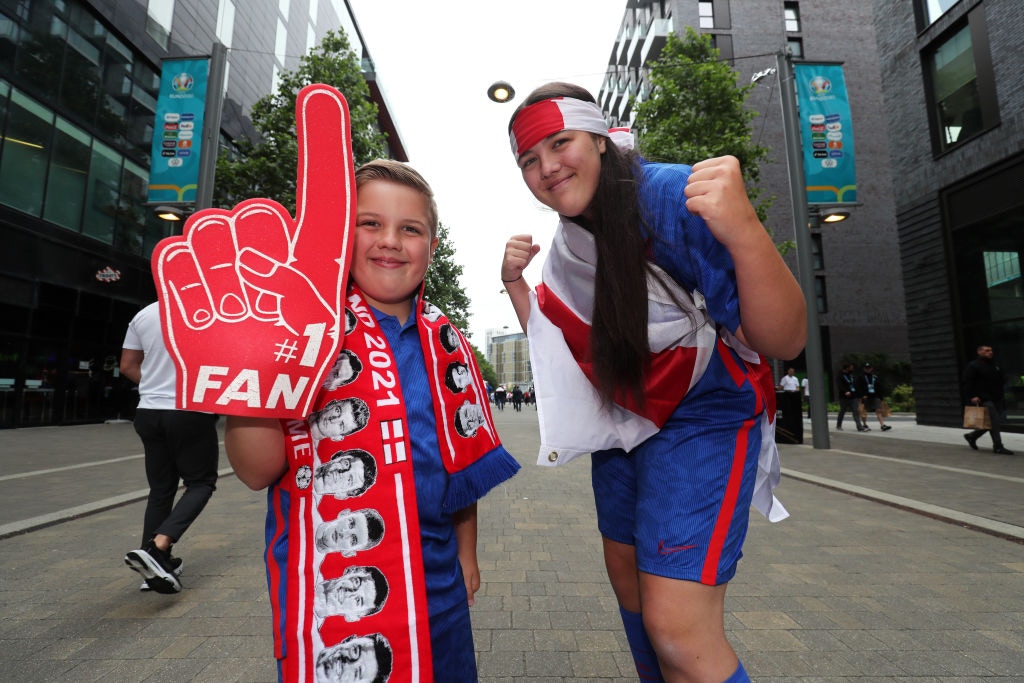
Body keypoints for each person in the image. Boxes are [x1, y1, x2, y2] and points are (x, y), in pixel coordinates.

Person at [500, 83, 805, 683]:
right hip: (628, 420)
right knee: (631, 590)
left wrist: (743, 227)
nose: (547, 168)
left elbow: (785, 339)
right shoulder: (568, 244)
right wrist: (515, 288)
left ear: (600, 140)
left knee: (677, 628)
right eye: (528, 160)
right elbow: (571, 349)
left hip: (705, 414)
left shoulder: (668, 195)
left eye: (560, 143)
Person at [225, 159, 520, 681]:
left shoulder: (447, 342)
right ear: (341, 233)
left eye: (410, 229)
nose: (390, 241)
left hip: (438, 585)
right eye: (370, 223)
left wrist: (466, 554)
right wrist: (247, 369)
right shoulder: (302, 331)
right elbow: (255, 471)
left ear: (432, 246)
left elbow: (462, 464)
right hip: (341, 592)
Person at [120, 302, 220, 594]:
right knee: (201, 483)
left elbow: (127, 366)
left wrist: (154, 385)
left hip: (148, 411)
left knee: (161, 489)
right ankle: (158, 546)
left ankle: (152, 564)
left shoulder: (143, 314)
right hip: (189, 408)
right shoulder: (214, 310)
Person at [963, 344, 1014, 454]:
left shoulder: (995, 365)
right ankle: (998, 446)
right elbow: (968, 382)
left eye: (991, 350)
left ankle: (972, 436)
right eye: (986, 350)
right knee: (994, 422)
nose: (990, 352)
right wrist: (972, 396)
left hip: (997, 398)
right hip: (984, 399)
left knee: (991, 422)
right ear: (979, 352)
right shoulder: (973, 365)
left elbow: (1002, 379)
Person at [857, 362, 892, 431]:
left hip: (875, 396)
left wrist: (881, 397)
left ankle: (882, 425)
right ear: (864, 369)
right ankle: (864, 424)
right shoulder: (861, 377)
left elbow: (879, 387)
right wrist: (861, 396)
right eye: (866, 368)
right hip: (865, 397)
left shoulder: (875, 377)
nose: (868, 369)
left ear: (871, 368)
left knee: (878, 410)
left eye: (869, 368)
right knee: (863, 411)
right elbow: (858, 387)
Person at [835, 362, 868, 431]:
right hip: (844, 397)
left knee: (856, 411)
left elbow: (855, 385)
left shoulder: (851, 375)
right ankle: (839, 425)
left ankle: (859, 427)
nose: (852, 369)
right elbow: (840, 385)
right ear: (847, 368)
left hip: (853, 396)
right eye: (851, 367)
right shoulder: (840, 375)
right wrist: (845, 391)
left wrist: (860, 395)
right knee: (842, 411)